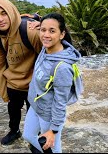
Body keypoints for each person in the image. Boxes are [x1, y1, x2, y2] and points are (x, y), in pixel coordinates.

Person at [22, 12, 83, 153]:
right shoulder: (46, 48)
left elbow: (60, 101)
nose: (46, 35)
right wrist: (40, 22)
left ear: (62, 34)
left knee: (53, 148)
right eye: (43, 30)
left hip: (49, 115)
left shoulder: (62, 68)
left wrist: (53, 130)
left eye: (52, 31)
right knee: (28, 135)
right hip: (36, 105)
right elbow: (45, 29)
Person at [0, 0, 43, 146]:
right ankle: (14, 131)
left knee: (34, 112)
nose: (0, 19)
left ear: (11, 12)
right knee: (13, 110)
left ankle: (36, 136)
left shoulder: (29, 31)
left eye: (4, 13)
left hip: (34, 82)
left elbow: (48, 56)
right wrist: (3, 92)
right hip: (13, 83)